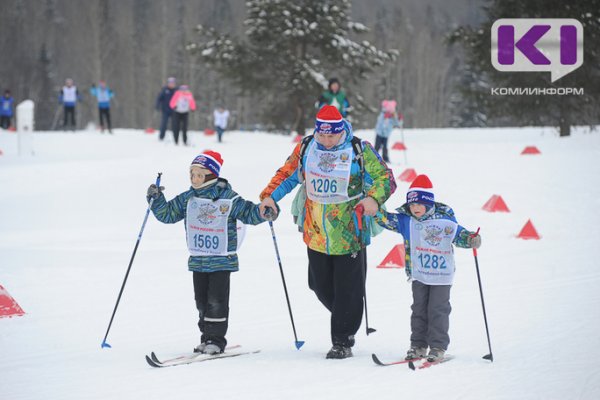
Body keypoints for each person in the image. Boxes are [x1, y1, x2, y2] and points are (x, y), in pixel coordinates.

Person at [258, 105, 396, 359]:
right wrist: (269, 198)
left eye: (331, 136)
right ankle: (348, 314)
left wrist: (373, 200)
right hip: (316, 231)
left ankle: (342, 340)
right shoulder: (307, 147)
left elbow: (385, 177)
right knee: (318, 285)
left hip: (350, 231)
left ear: (341, 130)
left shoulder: (358, 149)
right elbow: (288, 175)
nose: (327, 140)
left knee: (347, 289)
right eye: (322, 135)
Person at [146, 150, 273, 355]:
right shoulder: (189, 198)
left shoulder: (228, 198)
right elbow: (168, 214)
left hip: (221, 260)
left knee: (217, 301)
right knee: (201, 301)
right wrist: (156, 200)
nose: (194, 179)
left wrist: (263, 211)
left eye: (199, 175)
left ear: (211, 175)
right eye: (192, 174)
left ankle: (216, 339)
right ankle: (205, 338)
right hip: (198, 260)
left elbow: (248, 212)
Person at [374, 174, 482, 362]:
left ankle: (438, 347)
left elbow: (460, 235)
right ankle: (418, 346)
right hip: (419, 274)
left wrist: (471, 239)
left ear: (429, 203)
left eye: (419, 204)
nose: (415, 208)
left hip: (441, 275)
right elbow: (385, 220)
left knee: (438, 309)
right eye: (412, 204)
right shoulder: (406, 220)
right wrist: (371, 208)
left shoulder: (445, 221)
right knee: (419, 310)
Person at [155, 77, 177, 142]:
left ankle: (175, 138)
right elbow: (159, 98)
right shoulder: (164, 90)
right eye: (170, 83)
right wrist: (157, 105)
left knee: (174, 125)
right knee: (164, 124)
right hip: (165, 110)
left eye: (173, 83)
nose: (171, 84)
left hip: (174, 110)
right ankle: (161, 137)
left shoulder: (176, 91)